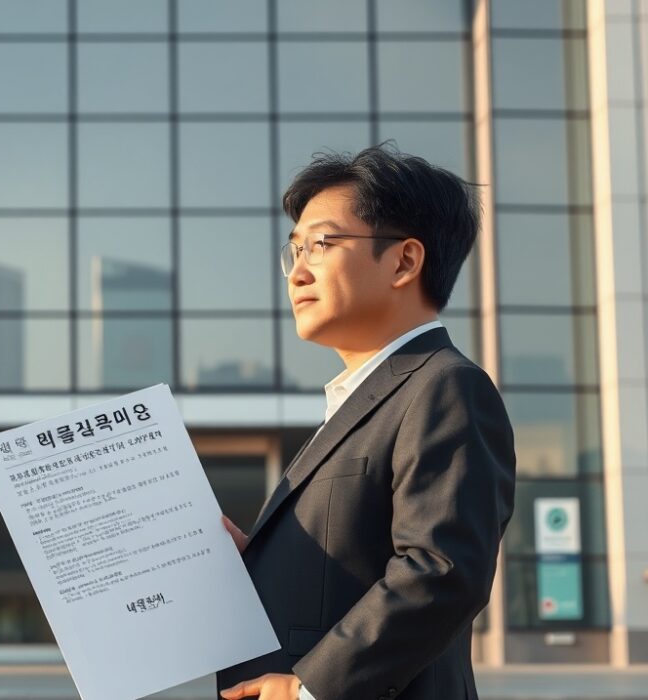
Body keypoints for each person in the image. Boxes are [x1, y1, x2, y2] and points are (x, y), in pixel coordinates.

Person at [216, 145, 516, 700]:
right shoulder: (358, 401)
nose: (297, 272)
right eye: (294, 250)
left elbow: (442, 569)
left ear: (404, 261)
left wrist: (310, 688)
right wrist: (252, 561)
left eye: (322, 245)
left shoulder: (445, 386)